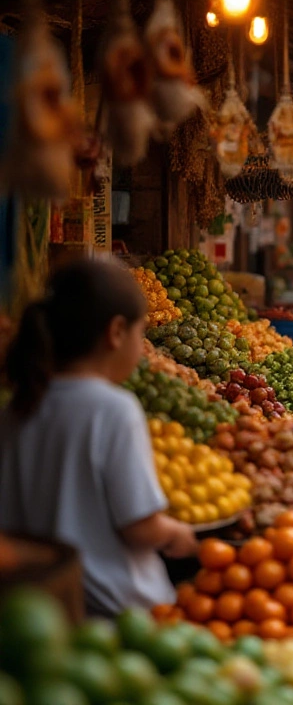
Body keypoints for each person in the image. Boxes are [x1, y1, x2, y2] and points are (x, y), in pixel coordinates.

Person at [0, 259, 198, 616]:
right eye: (142, 333)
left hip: (38, 608)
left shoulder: (16, 408)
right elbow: (140, 528)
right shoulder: (113, 409)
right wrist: (178, 534)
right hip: (118, 615)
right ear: (117, 332)